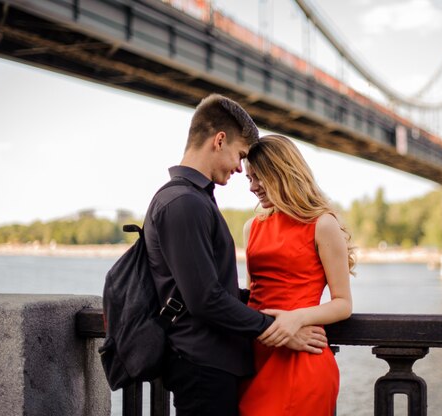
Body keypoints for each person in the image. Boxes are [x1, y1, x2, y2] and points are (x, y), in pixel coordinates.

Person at [143, 94, 327, 416]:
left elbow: (216, 289)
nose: (240, 168)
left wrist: (285, 310)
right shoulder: (183, 203)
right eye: (240, 155)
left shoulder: (195, 199)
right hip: (201, 364)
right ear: (220, 140)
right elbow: (205, 298)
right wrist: (279, 330)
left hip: (212, 361)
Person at [240, 134, 355, 416]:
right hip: (256, 357)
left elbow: (343, 303)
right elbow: (253, 296)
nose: (253, 187)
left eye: (258, 177)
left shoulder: (323, 225)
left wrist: (297, 318)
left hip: (303, 359)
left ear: (282, 172)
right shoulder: (250, 228)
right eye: (248, 179)